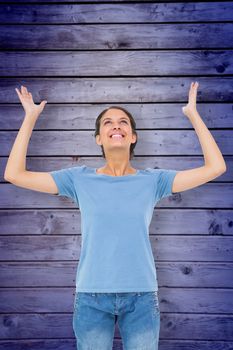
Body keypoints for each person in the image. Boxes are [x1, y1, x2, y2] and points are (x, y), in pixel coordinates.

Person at [4, 83, 226, 350]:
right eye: (108, 122)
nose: (116, 125)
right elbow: (14, 174)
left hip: (142, 296)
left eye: (123, 122)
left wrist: (193, 115)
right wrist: (29, 118)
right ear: (99, 138)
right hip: (91, 296)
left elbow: (216, 167)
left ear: (133, 136)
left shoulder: (154, 180)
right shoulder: (78, 178)